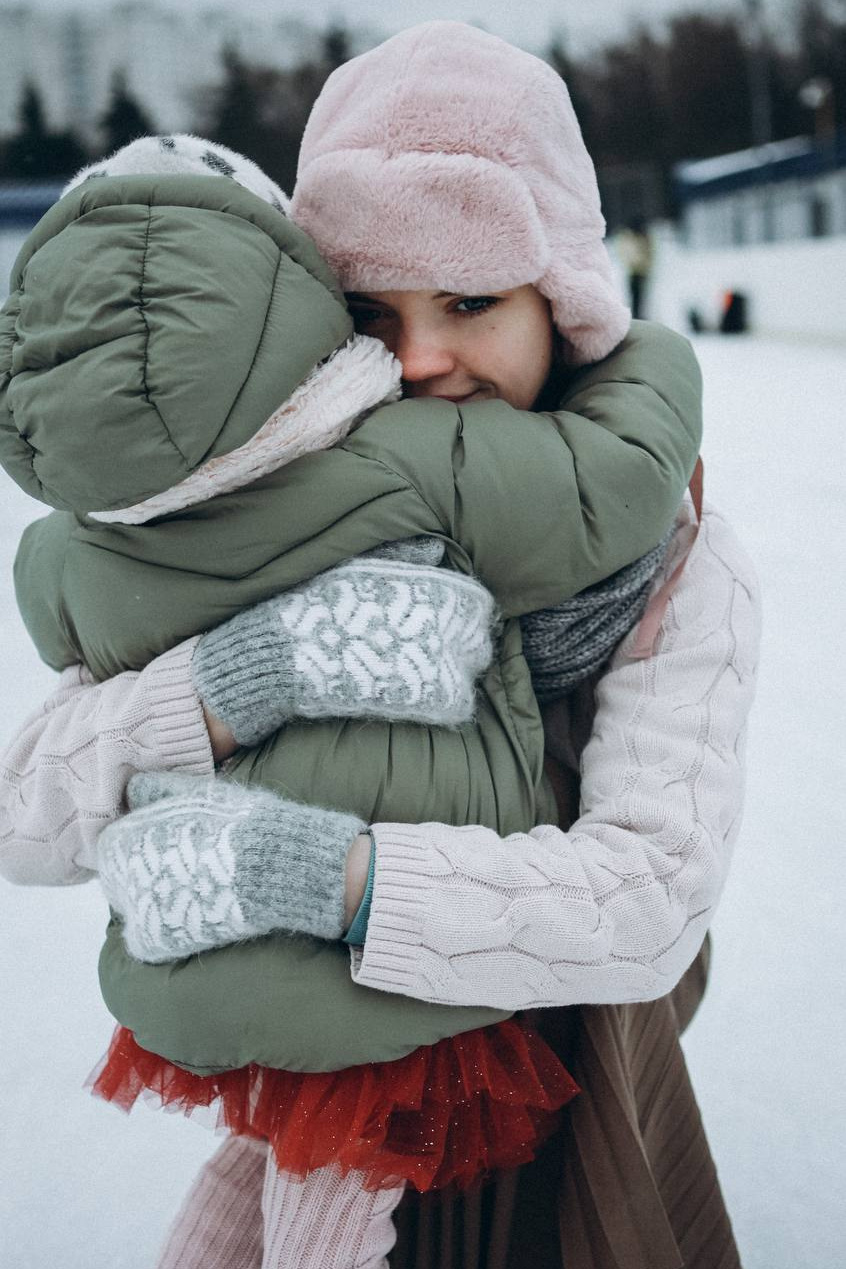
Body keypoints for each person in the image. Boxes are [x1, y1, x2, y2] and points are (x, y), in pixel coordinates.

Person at [0, 24, 759, 1269]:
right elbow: (25, 815)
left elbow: (650, 896)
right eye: (370, 310)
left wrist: (328, 879)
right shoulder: (263, 518)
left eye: (470, 303)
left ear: (558, 304)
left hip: (556, 1112)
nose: (417, 361)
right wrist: (244, 680)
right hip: (324, 1129)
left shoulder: (663, 556)